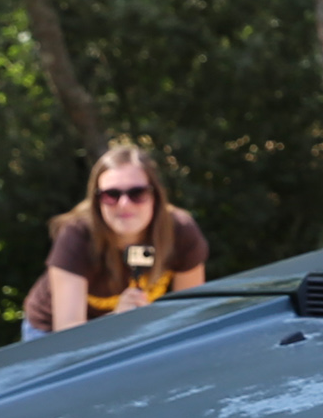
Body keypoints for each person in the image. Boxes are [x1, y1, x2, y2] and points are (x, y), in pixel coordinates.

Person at [21, 141, 208, 338]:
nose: (124, 204)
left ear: (156, 196)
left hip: (134, 327)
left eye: (137, 193)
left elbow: (189, 314)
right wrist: (116, 319)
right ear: (97, 201)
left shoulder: (179, 231)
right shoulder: (77, 235)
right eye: (111, 195)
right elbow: (68, 334)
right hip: (52, 333)